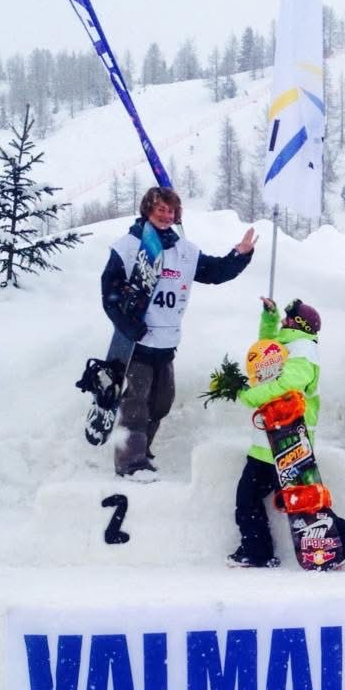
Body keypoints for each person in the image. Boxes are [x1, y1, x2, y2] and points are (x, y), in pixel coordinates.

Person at [102, 186, 255, 478]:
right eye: (160, 209)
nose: (166, 215)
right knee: (135, 406)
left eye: (171, 211)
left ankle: (142, 450)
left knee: (160, 403)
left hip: (166, 343)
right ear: (148, 209)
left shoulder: (184, 251)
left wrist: (239, 254)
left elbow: (214, 272)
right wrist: (127, 325)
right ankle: (130, 462)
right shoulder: (127, 247)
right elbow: (109, 293)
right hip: (137, 345)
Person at [228, 297, 345, 568]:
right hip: (272, 440)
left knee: (296, 499)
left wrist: (250, 396)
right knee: (261, 497)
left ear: (296, 324)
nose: (282, 321)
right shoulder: (290, 345)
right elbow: (265, 351)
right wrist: (269, 317)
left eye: (286, 318)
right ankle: (257, 551)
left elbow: (289, 385)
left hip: (287, 440)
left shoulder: (303, 349)